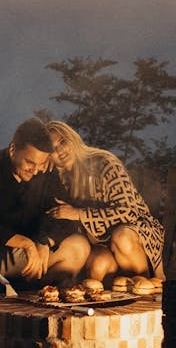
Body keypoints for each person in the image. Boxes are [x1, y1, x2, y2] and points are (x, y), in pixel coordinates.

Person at [0, 118, 89, 348]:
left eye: (41, 164)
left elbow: (62, 216)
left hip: (26, 258)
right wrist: (26, 244)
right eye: (29, 162)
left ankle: (34, 314)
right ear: (13, 149)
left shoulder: (44, 172)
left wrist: (44, 242)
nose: (35, 170)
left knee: (79, 247)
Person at [44, 120, 165, 284]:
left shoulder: (104, 163)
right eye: (52, 149)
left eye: (63, 142)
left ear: (72, 139)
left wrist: (79, 213)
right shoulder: (60, 180)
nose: (59, 150)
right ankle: (111, 305)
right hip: (100, 242)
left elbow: (129, 211)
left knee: (122, 238)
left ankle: (146, 290)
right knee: (99, 264)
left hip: (135, 232)